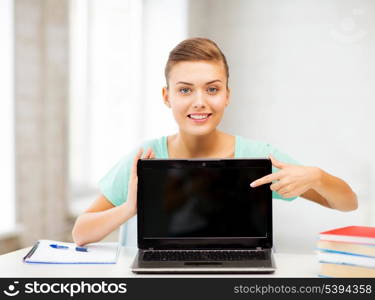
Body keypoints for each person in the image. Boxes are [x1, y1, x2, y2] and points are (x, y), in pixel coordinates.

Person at [72, 37, 358, 246]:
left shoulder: (260, 156)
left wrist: (317, 177)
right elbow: (81, 233)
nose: (200, 102)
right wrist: (129, 208)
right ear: (166, 96)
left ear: (227, 96)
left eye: (212, 89)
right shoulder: (145, 157)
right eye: (185, 90)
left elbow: (347, 204)